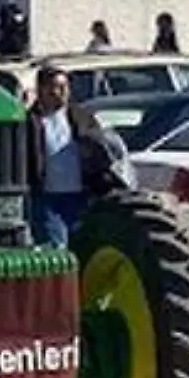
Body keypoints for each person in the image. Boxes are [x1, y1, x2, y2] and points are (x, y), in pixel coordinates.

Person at [27, 65, 126, 248]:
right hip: (47, 199)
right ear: (42, 89)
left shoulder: (80, 116)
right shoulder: (30, 121)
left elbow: (99, 145)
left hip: (80, 196)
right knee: (57, 247)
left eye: (65, 87)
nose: (62, 92)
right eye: (56, 87)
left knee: (83, 246)